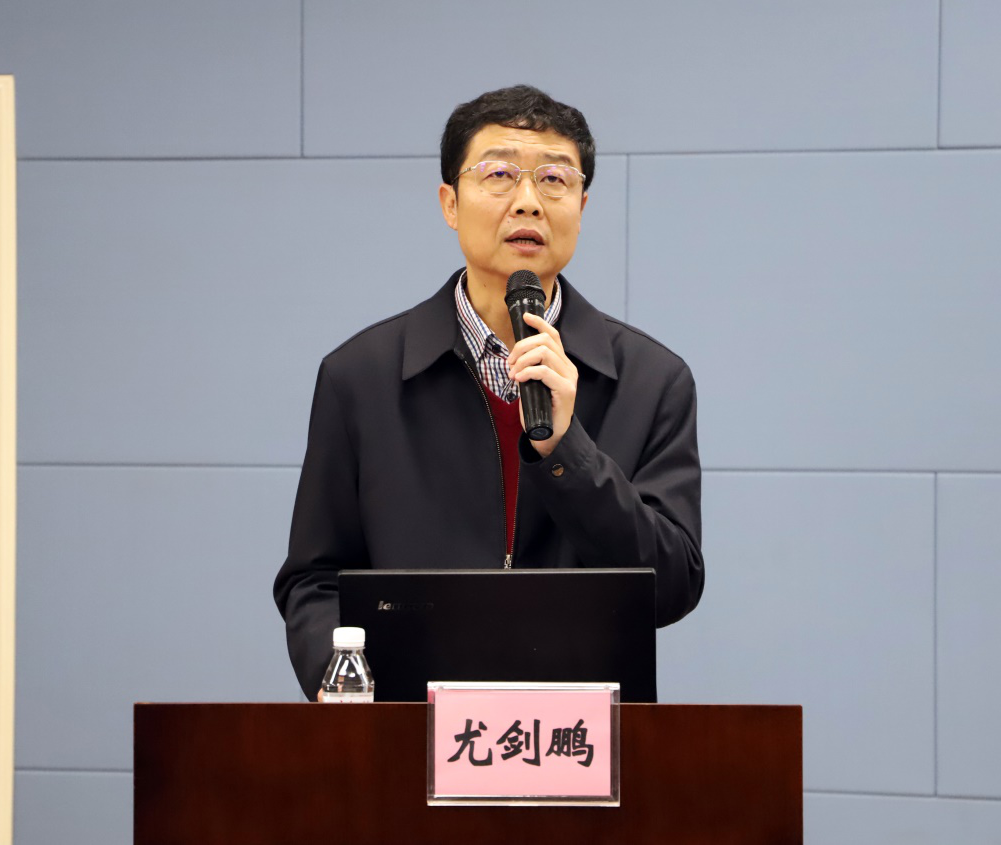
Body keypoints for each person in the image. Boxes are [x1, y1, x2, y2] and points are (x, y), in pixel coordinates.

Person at [273, 85, 704, 701]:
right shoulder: (360, 377)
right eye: (499, 174)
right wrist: (348, 697)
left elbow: (672, 587)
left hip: (577, 738)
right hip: (407, 733)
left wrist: (567, 450)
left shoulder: (652, 381)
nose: (528, 201)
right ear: (450, 203)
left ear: (582, 206)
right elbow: (315, 580)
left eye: (554, 179)